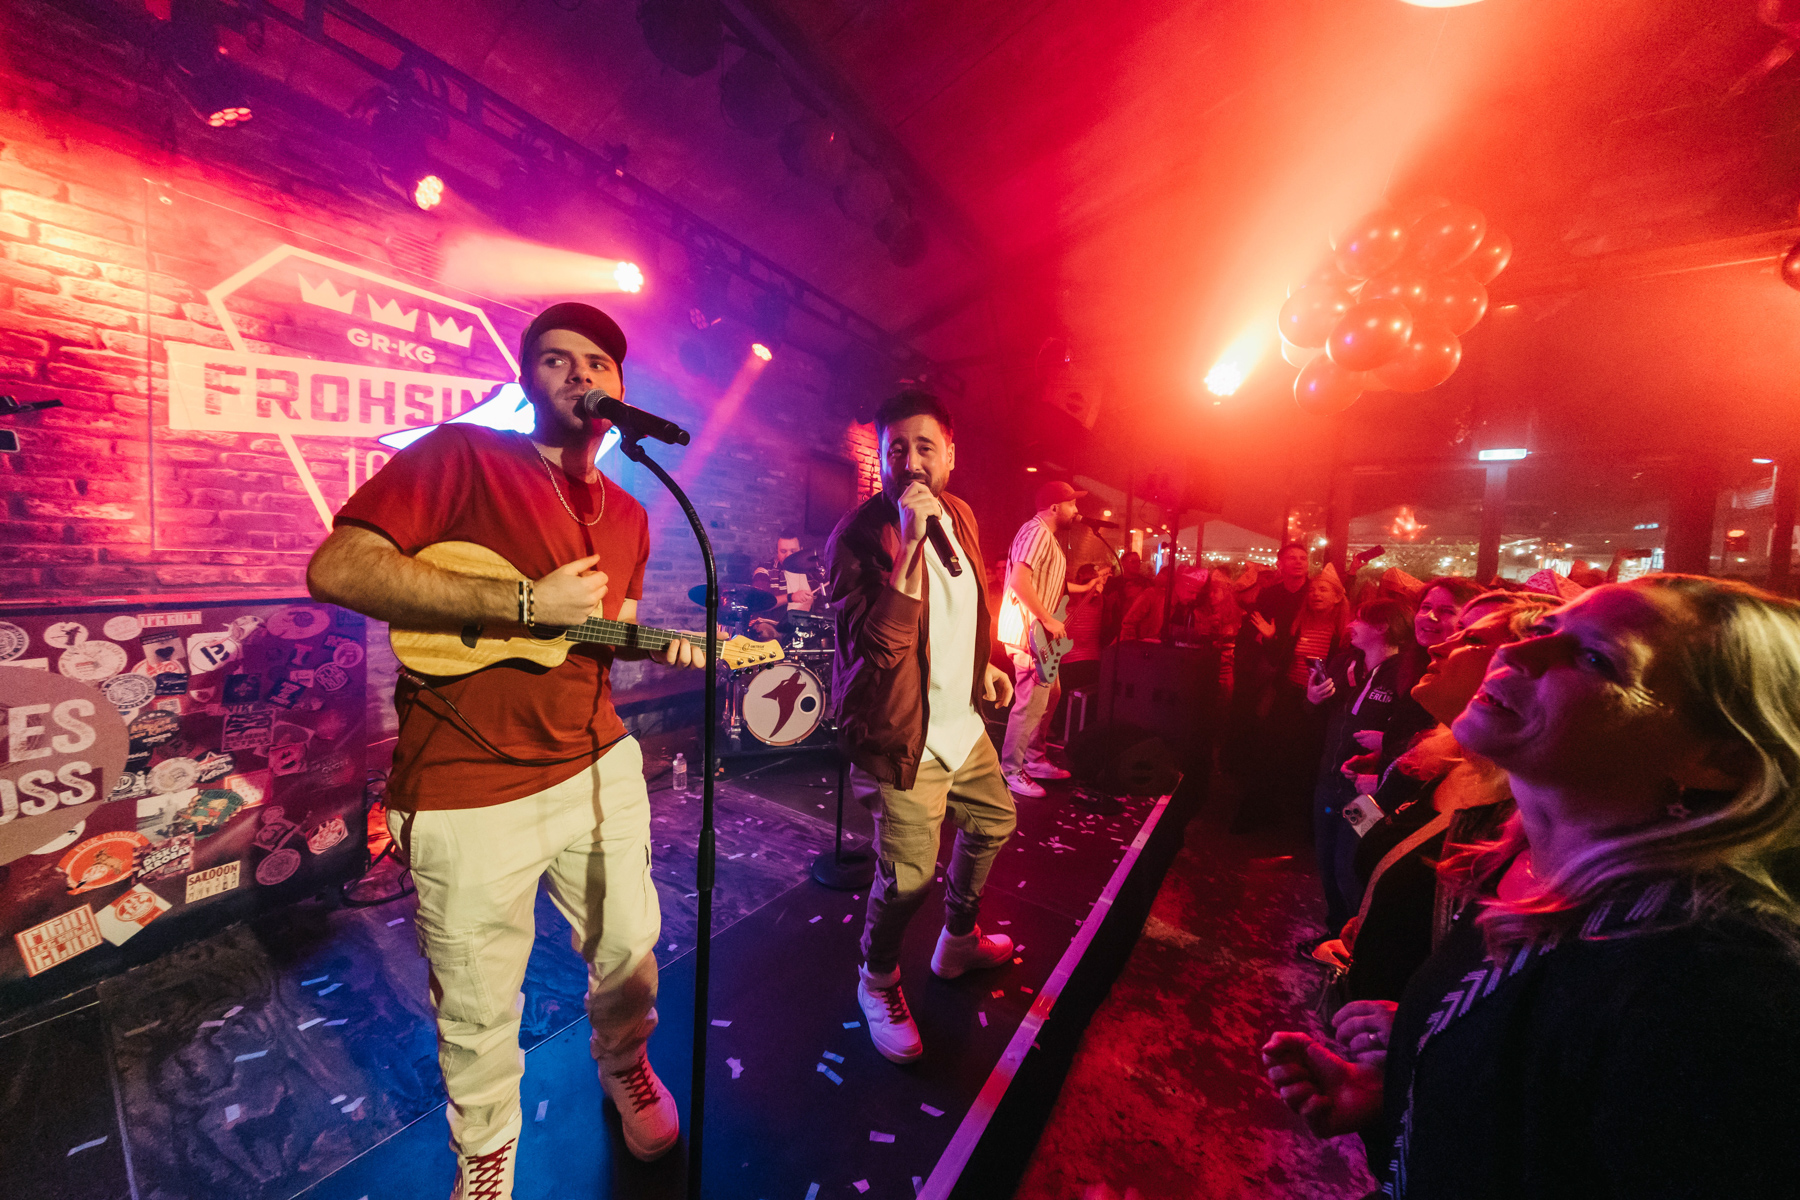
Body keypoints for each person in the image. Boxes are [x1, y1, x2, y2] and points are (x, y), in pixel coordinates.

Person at [306, 303, 704, 1196]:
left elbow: (606, 637)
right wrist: (524, 606)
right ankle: (485, 1151)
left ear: (620, 388)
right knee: (479, 999)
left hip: (597, 765)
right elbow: (338, 566)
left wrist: (670, 647)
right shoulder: (463, 456)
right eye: (555, 359)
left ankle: (625, 1063)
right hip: (464, 781)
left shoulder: (632, 513)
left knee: (630, 947)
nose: (579, 373)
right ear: (526, 381)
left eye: (597, 361)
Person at [1264, 576, 1800, 1197]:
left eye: (1596, 657)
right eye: (1545, 629)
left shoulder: (1715, 989)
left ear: (1723, 759)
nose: (1515, 651)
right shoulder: (1520, 863)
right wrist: (1415, 1074)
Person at [826, 390, 1019, 1065]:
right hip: (901, 736)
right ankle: (876, 979)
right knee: (908, 880)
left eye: (924, 446)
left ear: (950, 456)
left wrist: (982, 664)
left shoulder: (960, 515)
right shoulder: (856, 540)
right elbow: (880, 649)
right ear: (881, 459)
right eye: (896, 449)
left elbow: (968, 604)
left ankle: (957, 942)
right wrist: (909, 544)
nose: (910, 461)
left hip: (961, 725)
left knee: (994, 822)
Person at [1310, 591, 1556, 1008]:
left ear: (1521, 672)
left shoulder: (1526, 812)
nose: (1441, 643)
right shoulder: (1442, 759)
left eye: (1470, 637)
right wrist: (1369, 923)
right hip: (1371, 1003)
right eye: (1428, 608)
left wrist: (1406, 1020)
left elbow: (1499, 970)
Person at [1305, 598, 1414, 938]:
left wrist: (1386, 742)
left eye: (1360, 619)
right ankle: (1334, 935)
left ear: (1382, 627)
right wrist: (1312, 700)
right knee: (1326, 863)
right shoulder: (1345, 663)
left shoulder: (1405, 674)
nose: (1351, 624)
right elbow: (1322, 717)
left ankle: (1354, 944)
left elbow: (1418, 736)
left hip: (1364, 793)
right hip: (1329, 781)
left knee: (1348, 868)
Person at [998, 480, 1097, 797]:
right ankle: (1011, 769)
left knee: (1051, 693)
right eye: (1072, 503)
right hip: (1029, 633)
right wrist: (1046, 618)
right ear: (1055, 507)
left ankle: (1035, 758)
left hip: (1038, 634)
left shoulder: (1046, 537)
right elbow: (1019, 580)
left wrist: (1089, 586)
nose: (1076, 510)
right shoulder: (1036, 532)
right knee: (1030, 703)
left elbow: (1055, 585)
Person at [1233, 567, 1349, 833]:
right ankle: (1260, 818)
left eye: (1323, 589)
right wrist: (1270, 638)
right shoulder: (1298, 623)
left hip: (1322, 706)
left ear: (1337, 597)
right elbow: (1279, 660)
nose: (1315, 594)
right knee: (1271, 754)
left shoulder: (1344, 632)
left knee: (1308, 760)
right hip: (1288, 696)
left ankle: (1303, 825)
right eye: (1312, 590)